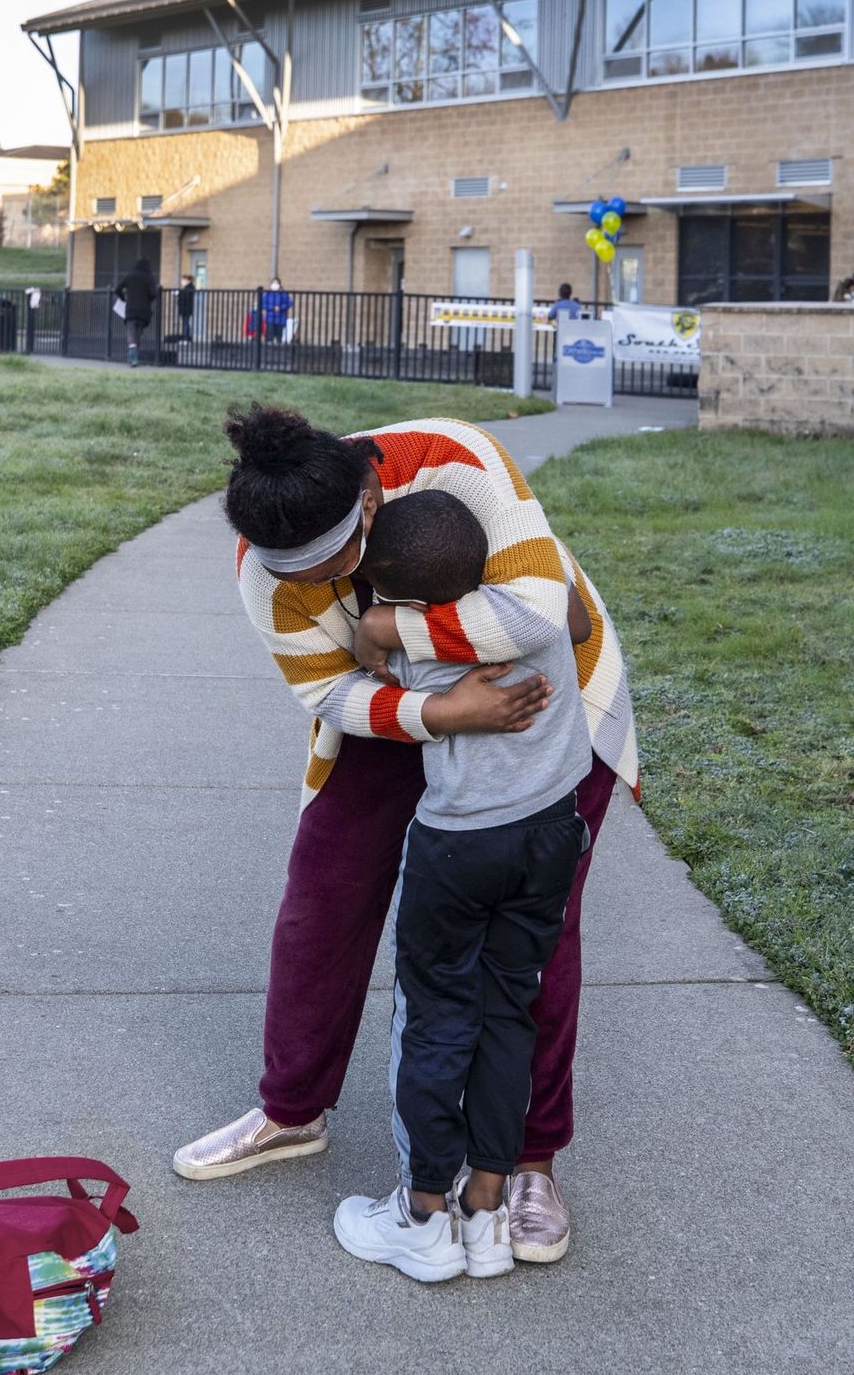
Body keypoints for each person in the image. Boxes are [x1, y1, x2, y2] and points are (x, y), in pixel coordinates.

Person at [177, 405, 640, 1269]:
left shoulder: (456, 456)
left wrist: (389, 629)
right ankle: (292, 1109)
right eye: (300, 575)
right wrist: (439, 710)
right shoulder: (265, 570)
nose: (320, 585)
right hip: (403, 709)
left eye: (337, 562)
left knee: (536, 941)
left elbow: (544, 607)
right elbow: (329, 695)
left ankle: (533, 1161)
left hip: (545, 704)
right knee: (322, 900)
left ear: (368, 494)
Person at [331, 491, 594, 1283]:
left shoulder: (414, 642)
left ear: (401, 594)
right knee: (510, 1008)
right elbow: (574, 618)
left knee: (439, 1016)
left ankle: (420, 1217)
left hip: (457, 847)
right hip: (550, 831)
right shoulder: (532, 615)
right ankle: (486, 1208)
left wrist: (381, 628)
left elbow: (360, 684)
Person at [113, 257, 159, 367]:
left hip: (131, 310)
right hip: (144, 311)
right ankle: (135, 357)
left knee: (131, 333)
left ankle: (132, 358)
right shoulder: (149, 278)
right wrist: (147, 299)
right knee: (138, 335)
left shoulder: (130, 276)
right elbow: (154, 294)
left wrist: (123, 298)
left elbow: (117, 289)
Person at [176, 275, 197, 343]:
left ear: (187, 281)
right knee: (186, 323)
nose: (182, 282)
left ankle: (185, 338)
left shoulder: (189, 288)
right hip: (185, 308)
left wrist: (179, 292)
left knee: (185, 323)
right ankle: (187, 338)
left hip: (186, 308)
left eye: (183, 280)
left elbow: (186, 295)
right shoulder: (187, 288)